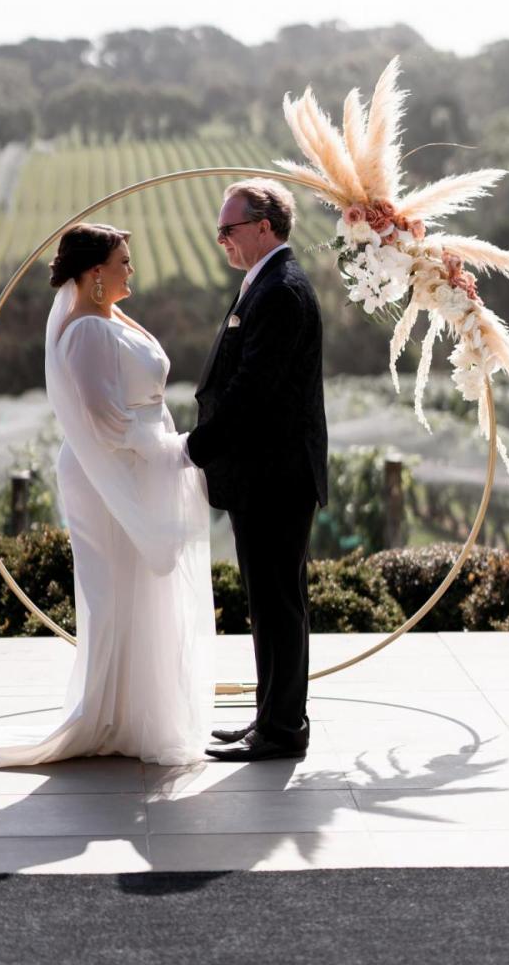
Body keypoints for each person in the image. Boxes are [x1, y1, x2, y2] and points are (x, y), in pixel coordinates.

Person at [0, 223, 215, 769]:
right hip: (109, 475)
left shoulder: (107, 319)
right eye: (123, 260)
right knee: (115, 591)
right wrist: (175, 451)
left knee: (141, 590)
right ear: (94, 272)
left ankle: (135, 713)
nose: (131, 269)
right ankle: (106, 713)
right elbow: (105, 421)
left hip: (136, 468)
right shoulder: (86, 332)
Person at [186, 180, 328, 762]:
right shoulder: (265, 283)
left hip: (276, 475)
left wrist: (197, 447)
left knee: (277, 603)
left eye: (229, 229)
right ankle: (271, 718)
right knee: (268, 602)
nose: (222, 239)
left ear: (264, 227)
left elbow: (253, 390)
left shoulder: (280, 290)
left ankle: (283, 728)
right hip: (265, 474)